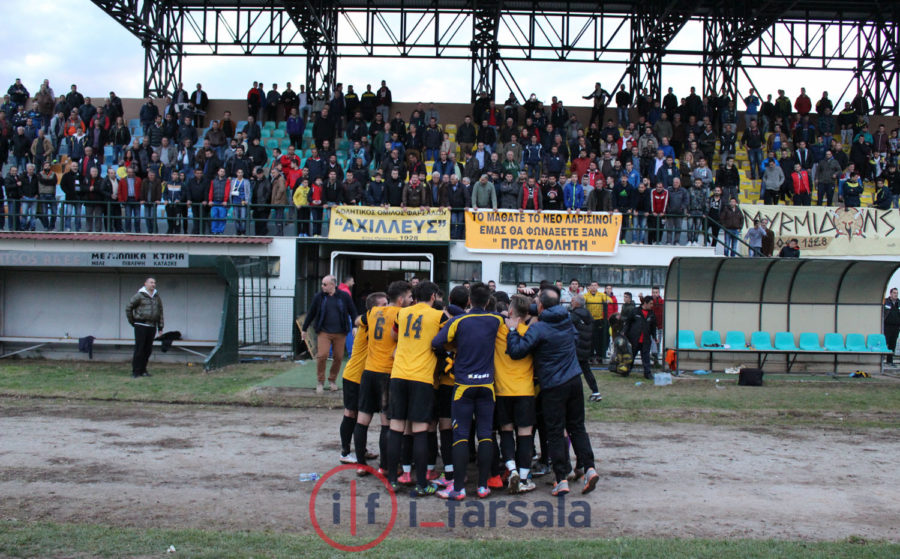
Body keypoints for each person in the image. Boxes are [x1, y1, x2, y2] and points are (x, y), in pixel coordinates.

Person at [506, 287, 599, 497]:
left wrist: (513, 330)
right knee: (577, 427)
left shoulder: (539, 329)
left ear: (540, 306)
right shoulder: (567, 320)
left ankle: (561, 479)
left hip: (553, 385)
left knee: (555, 432)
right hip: (574, 378)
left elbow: (517, 351)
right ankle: (590, 468)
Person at [433, 282, 503, 501]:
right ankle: (482, 486)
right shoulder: (496, 320)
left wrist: (455, 347)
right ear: (488, 301)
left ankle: (459, 489)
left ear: (470, 300)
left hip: (463, 386)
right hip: (487, 386)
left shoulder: (458, 321)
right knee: (485, 435)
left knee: (461, 436)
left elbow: (437, 342)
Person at [386, 281, 446, 496]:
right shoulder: (438, 316)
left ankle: (392, 480)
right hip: (421, 378)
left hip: (399, 374)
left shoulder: (402, 314)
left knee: (396, 428)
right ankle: (422, 483)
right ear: (433, 297)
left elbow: (394, 336)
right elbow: (447, 340)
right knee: (420, 431)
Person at [354, 281, 412, 475]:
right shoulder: (400, 314)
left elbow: (357, 321)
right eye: (410, 298)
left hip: (368, 371)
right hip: (387, 372)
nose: (411, 301)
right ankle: (385, 467)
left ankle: (361, 464)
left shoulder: (373, 312)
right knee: (386, 423)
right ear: (401, 299)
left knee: (362, 419)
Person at [492, 294, 538, 494]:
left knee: (506, 431)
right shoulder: (530, 333)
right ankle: (525, 476)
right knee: (525, 434)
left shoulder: (498, 330)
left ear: (510, 311)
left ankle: (511, 469)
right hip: (525, 391)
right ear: (527, 314)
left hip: (502, 390)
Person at [339, 291, 387, 464]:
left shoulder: (375, 321)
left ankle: (362, 451)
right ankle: (345, 452)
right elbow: (359, 319)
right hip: (354, 376)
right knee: (351, 413)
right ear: (373, 309)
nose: (386, 308)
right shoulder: (369, 321)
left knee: (363, 416)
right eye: (383, 305)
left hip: (367, 377)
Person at [301, 275, 358, 393]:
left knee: (338, 357)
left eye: (325, 284)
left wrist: (355, 326)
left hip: (340, 332)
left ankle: (332, 380)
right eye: (322, 284)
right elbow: (311, 313)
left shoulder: (344, 296)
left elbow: (353, 311)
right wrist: (304, 329)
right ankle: (320, 381)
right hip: (324, 331)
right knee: (322, 355)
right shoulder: (319, 297)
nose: (322, 286)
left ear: (332, 285)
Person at [125, 278, 164, 378]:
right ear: (145, 284)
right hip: (141, 325)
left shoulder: (156, 297)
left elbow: (160, 312)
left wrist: (160, 327)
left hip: (152, 326)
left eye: (154, 283)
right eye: (151, 282)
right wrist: (133, 321)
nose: (153, 284)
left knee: (148, 349)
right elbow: (129, 307)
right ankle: (136, 371)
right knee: (139, 349)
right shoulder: (139, 295)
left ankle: (143, 370)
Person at [569, 294, 602, 402]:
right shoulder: (588, 315)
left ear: (577, 303)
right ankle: (596, 392)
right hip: (585, 347)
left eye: (572, 300)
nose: (571, 302)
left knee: (571, 372)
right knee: (586, 371)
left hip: (575, 347)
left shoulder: (574, 316)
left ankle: (573, 395)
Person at [624, 296, 656, 380]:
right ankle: (626, 371)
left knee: (646, 358)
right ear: (645, 303)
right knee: (631, 356)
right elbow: (628, 323)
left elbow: (653, 327)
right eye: (651, 304)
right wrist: (624, 333)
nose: (652, 305)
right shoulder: (635, 311)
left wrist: (654, 337)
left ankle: (647, 373)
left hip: (645, 340)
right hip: (634, 339)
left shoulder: (652, 314)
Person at [884, 288, 900, 365]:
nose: (896, 294)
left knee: (893, 344)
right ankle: (881, 360)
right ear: (890, 294)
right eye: (894, 293)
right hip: (887, 326)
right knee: (886, 343)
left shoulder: (899, 303)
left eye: (897, 293)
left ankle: (890, 361)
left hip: (896, 327)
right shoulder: (886, 302)